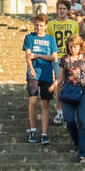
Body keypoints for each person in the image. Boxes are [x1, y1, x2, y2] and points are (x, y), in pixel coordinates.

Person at [58, 35, 85, 163]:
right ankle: (77, 144)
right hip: (68, 93)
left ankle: (83, 154)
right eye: (70, 47)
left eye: (75, 46)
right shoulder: (65, 59)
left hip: (83, 92)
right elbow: (61, 77)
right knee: (69, 121)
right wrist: (54, 85)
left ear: (80, 46)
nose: (72, 49)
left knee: (83, 123)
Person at [22, 14, 58, 144]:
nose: (38, 27)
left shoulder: (51, 39)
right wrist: (31, 67)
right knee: (32, 101)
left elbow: (54, 57)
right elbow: (28, 55)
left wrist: (37, 55)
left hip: (47, 74)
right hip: (33, 74)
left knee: (45, 104)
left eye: (41, 25)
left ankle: (44, 133)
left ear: (46, 26)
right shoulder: (29, 37)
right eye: (37, 25)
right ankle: (32, 130)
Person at [48, 2, 79, 126]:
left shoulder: (74, 24)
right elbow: (49, 41)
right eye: (59, 9)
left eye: (64, 9)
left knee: (74, 82)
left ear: (68, 10)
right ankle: (60, 110)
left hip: (71, 57)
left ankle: (72, 109)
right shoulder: (51, 25)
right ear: (56, 10)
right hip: (58, 57)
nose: (61, 11)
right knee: (59, 82)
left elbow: (77, 41)